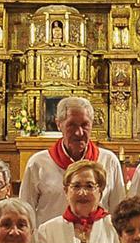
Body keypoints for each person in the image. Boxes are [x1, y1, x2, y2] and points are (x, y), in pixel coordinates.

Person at [19, 96, 126, 227]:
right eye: (71, 125)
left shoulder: (108, 161)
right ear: (58, 124)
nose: (79, 132)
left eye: (85, 125)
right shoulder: (38, 163)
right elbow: (25, 213)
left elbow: (119, 212)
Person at [34, 158, 117, 243]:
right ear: (66, 191)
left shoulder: (116, 228)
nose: (82, 193)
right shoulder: (47, 230)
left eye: (89, 186)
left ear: (100, 191)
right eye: (76, 186)